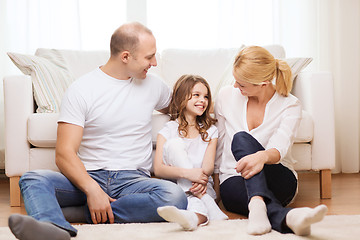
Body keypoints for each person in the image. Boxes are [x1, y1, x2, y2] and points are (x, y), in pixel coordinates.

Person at [8, 22, 187, 240]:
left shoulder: (154, 85)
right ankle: (54, 230)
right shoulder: (82, 89)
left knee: (174, 196)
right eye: (149, 57)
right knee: (32, 179)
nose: (155, 63)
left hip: (134, 182)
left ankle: (67, 217)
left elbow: (183, 110)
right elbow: (64, 153)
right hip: (88, 177)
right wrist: (92, 190)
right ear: (125, 57)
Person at [215, 46, 328, 236]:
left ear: (263, 83)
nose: (235, 87)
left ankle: (258, 204)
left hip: (277, 177)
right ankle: (288, 218)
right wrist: (215, 186)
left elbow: (279, 148)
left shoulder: (289, 105)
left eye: (241, 84)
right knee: (238, 140)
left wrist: (261, 157)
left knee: (241, 138)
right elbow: (219, 143)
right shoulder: (226, 96)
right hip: (234, 179)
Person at [154, 75, 228, 231]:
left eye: (206, 96)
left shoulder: (211, 131)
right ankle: (205, 203)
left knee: (195, 202)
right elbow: (159, 170)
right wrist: (188, 174)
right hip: (178, 190)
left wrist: (198, 181)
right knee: (174, 144)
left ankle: (192, 218)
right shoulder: (168, 131)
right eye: (196, 95)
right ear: (182, 98)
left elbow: (208, 167)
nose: (203, 100)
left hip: (202, 186)